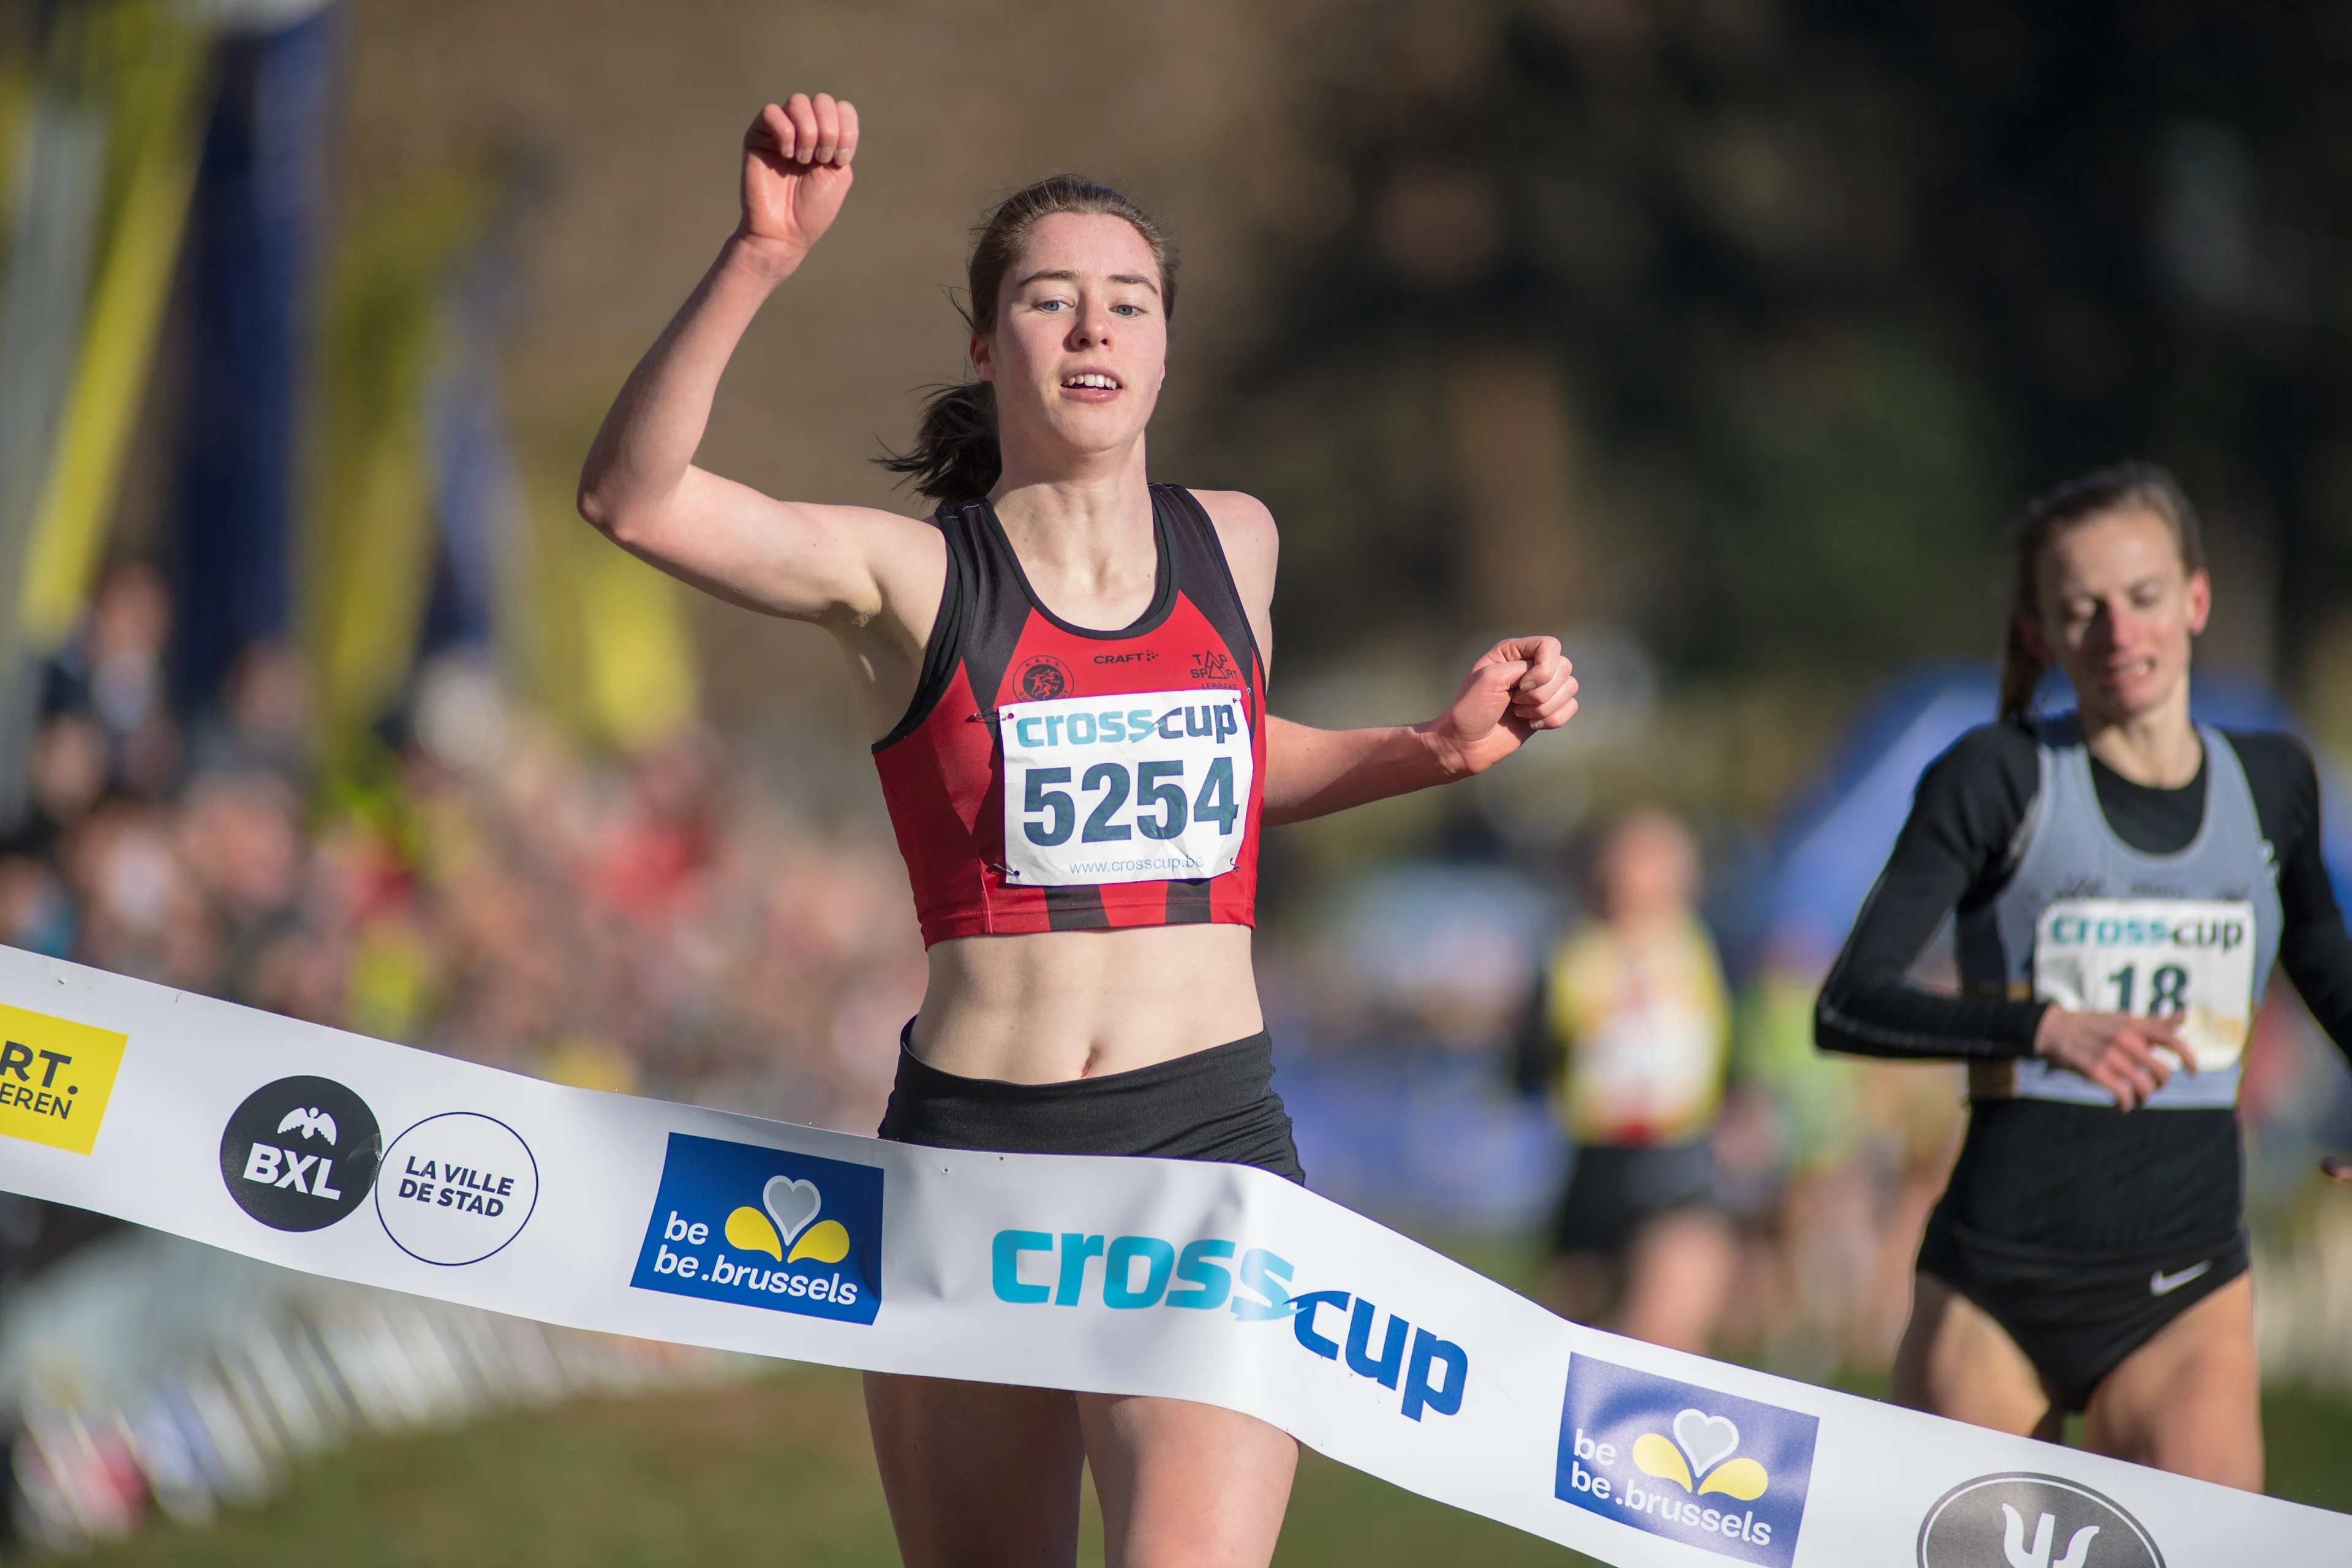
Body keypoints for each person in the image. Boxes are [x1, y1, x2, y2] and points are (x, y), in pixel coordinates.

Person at [576, 94, 1578, 1568]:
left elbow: (1227, 769)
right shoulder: (909, 577)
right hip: (975, 1160)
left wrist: (1433, 746)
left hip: (1207, 1149)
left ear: (1165, 344)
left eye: (1127, 301)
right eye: (1048, 300)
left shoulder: (1234, 539)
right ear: (989, 350)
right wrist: (757, 258)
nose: (1090, 327)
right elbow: (632, 498)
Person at [1814, 461, 2352, 1488]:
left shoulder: (2274, 782)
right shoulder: (1995, 776)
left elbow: (2321, 954)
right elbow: (1850, 1001)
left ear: (2195, 599)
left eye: (2144, 597)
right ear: (2040, 635)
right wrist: (2042, 1028)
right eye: (2082, 609)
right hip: (1996, 1287)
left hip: (2188, 1291)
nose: (2119, 633)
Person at [1537, 807, 1735, 1352]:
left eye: (1657, 861)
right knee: (1575, 1349)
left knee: (1661, 1340)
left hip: (1679, 1162)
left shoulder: (1706, 947)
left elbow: (1737, 1051)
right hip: (1595, 1166)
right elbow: (1530, 1061)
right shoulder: (1574, 952)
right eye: (1630, 860)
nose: (1641, 879)